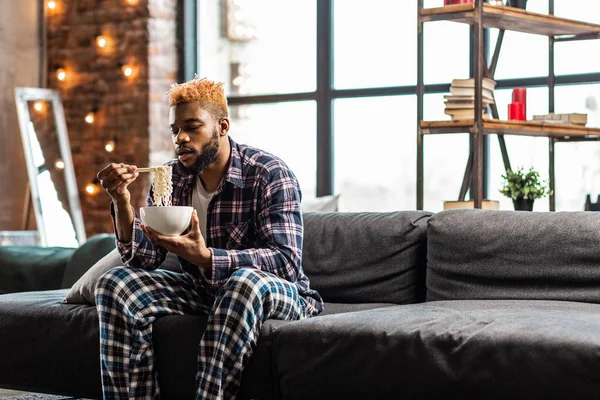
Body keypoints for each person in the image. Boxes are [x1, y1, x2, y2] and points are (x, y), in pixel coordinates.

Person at [95, 77, 324, 400]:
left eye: (192, 127)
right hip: (202, 292)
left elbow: (285, 263)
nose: (181, 139)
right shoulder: (170, 178)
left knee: (243, 283)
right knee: (114, 283)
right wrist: (122, 201)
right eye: (175, 130)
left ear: (222, 126)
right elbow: (144, 259)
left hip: (277, 294)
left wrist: (207, 258)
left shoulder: (268, 173)